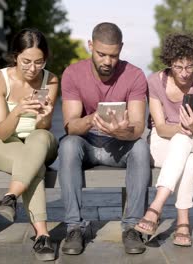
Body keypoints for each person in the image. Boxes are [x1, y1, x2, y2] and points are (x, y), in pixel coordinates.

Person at [58, 22, 150, 255]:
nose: (107, 61)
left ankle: (132, 227)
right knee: (68, 145)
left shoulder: (135, 75)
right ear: (90, 45)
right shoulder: (72, 73)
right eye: (101, 54)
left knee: (140, 147)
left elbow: (138, 127)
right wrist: (91, 120)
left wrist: (121, 132)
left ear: (121, 49)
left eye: (113, 55)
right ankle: (74, 227)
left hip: (118, 145)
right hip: (86, 143)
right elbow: (70, 126)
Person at [0, 28, 58, 261]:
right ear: (15, 56)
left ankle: (11, 196)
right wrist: (18, 110)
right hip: (1, 142)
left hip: (38, 140)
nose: (33, 68)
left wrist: (45, 115)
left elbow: (44, 128)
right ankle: (42, 235)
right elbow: (4, 133)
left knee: (39, 139)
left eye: (39, 62)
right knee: (34, 165)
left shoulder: (51, 79)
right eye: (26, 61)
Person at [134, 33, 193, 247]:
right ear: (170, 62)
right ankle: (183, 221)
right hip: (161, 143)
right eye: (178, 67)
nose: (185, 73)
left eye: (189, 67)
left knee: (184, 142)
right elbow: (160, 128)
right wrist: (180, 128)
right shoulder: (154, 82)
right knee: (190, 162)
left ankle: (155, 208)